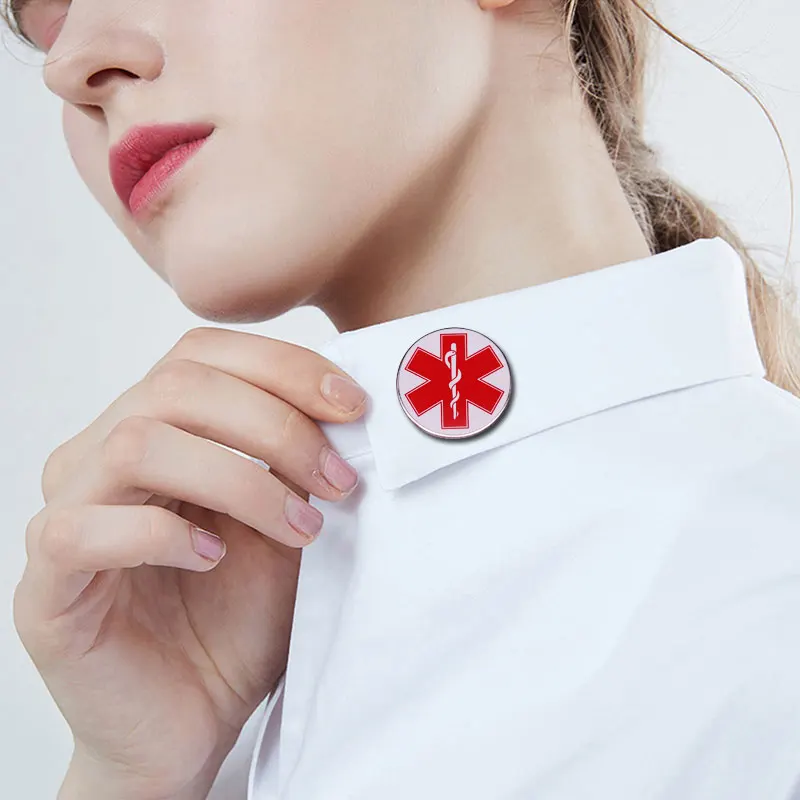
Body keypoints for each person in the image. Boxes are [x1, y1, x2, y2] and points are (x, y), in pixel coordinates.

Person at [6, 0, 800, 798]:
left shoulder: (763, 582)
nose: (69, 66)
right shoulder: (212, 670)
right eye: (47, 29)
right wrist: (131, 776)